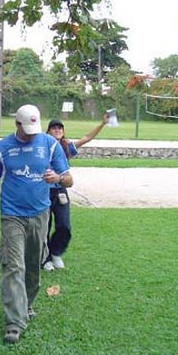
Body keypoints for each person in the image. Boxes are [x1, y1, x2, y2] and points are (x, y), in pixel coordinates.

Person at [0, 104, 73, 344]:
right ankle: (14, 322)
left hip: (40, 214)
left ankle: (26, 305)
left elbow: (70, 179)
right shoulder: (2, 148)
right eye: (27, 128)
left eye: (35, 129)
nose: (32, 134)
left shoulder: (50, 144)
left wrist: (58, 178)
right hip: (11, 215)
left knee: (33, 266)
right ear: (17, 124)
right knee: (13, 266)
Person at [43, 114, 109, 271]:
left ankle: (56, 252)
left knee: (64, 225)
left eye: (60, 128)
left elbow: (86, 138)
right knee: (44, 227)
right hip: (44, 191)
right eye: (54, 128)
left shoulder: (66, 147)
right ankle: (44, 258)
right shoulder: (42, 146)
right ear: (48, 131)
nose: (57, 130)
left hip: (60, 189)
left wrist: (102, 123)